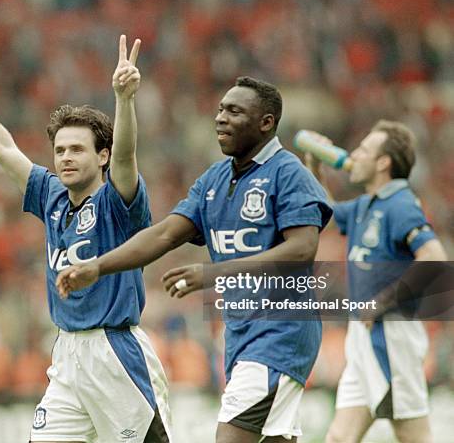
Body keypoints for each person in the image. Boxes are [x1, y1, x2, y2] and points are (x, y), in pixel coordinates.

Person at [0, 33, 171, 442]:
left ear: (101, 156)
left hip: (115, 355)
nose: (66, 157)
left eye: (77, 149)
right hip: (68, 355)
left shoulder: (117, 202)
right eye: (60, 150)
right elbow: (1, 147)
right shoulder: (51, 194)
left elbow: (127, 156)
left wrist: (123, 100)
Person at [57, 77, 333, 443]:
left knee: (231, 438)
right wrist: (98, 266)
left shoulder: (287, 172)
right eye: (220, 109)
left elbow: (302, 250)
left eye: (234, 111)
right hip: (241, 335)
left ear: (266, 122)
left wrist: (212, 274)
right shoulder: (215, 179)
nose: (220, 118)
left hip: (280, 333)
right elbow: (165, 234)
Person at [303, 121, 448, 443]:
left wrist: (381, 302)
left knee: (413, 436)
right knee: (339, 437)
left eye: (365, 150)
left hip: (391, 336)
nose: (354, 154)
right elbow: (325, 211)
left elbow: (434, 256)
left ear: (383, 163)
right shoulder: (365, 205)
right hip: (363, 336)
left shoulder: (399, 204)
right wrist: (314, 163)